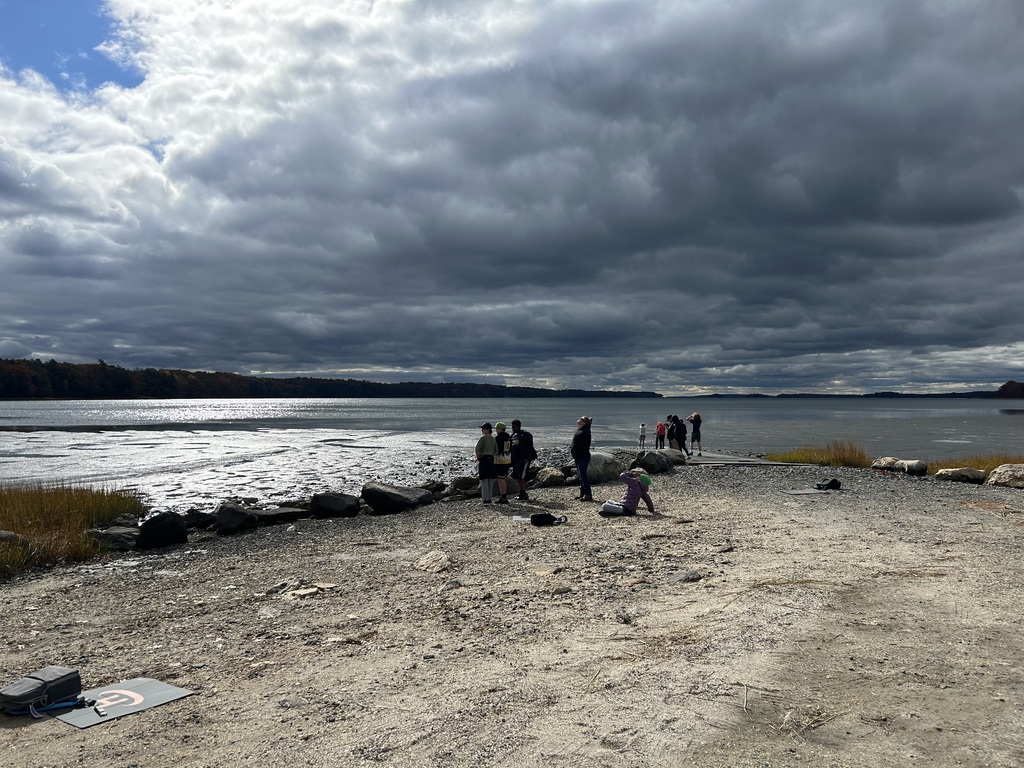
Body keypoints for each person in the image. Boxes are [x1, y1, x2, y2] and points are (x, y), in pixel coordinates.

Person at [510, 419, 537, 500]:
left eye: (514, 427)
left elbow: (528, 447)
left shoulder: (524, 435)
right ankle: (521, 491)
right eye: (512, 427)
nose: (513, 428)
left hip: (524, 459)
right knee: (517, 475)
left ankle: (523, 492)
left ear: (518, 426)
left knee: (522, 476)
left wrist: (527, 457)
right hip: (516, 459)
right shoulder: (513, 436)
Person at [571, 416, 593, 501]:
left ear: (583, 422)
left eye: (581, 419)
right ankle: (582, 493)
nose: (578, 420)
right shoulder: (581, 430)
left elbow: (583, 445)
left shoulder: (585, 432)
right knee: (580, 475)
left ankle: (588, 494)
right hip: (578, 456)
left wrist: (577, 452)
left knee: (583, 475)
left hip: (583, 456)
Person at [475, 422, 497, 504]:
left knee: (484, 479)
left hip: (484, 458)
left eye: (483, 429)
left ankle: (485, 498)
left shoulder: (483, 439)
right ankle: (490, 498)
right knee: (490, 479)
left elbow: (477, 449)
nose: (482, 430)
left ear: (488, 430)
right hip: (491, 458)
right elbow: (496, 451)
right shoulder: (493, 439)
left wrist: (478, 458)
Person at [493, 422, 512, 503]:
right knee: (503, 478)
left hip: (500, 461)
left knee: (500, 479)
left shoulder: (498, 438)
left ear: (500, 429)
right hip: (507, 459)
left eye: (496, 428)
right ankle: (503, 496)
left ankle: (503, 497)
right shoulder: (509, 437)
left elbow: (497, 450)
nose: (495, 430)